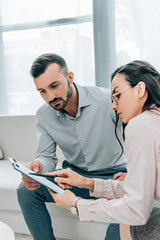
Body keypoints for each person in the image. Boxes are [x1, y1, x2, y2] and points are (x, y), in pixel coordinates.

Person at [17, 53, 127, 240]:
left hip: (113, 177)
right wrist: (38, 166)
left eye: (54, 86)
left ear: (70, 77)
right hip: (74, 178)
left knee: (128, 206)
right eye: (42, 91)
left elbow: (140, 139)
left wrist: (132, 172)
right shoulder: (44, 115)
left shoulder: (107, 101)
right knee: (25, 190)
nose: (50, 97)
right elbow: (46, 156)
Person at [47, 60, 160, 240]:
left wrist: (76, 204)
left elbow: (136, 210)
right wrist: (87, 182)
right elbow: (137, 191)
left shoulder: (141, 125)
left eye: (118, 96)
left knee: (128, 223)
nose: (113, 106)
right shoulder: (153, 119)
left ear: (140, 89)